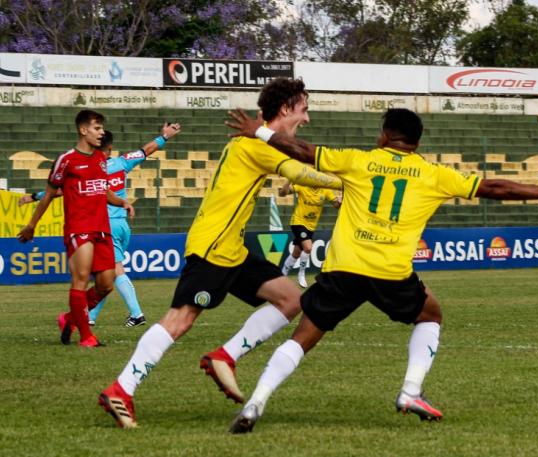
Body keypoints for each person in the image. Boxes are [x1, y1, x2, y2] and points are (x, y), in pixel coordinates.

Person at [222, 107, 538, 433]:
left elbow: (302, 151)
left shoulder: (357, 161)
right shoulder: (433, 174)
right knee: (431, 313)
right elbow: (493, 187)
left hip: (344, 269)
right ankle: (410, 391)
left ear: (384, 135)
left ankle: (256, 403)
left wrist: (259, 131)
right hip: (390, 273)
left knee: (303, 337)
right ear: (416, 141)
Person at [97, 77, 343, 429]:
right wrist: (353, 180)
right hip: (214, 245)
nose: (306, 118)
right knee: (180, 319)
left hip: (232, 248)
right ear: (286, 109)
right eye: (303, 111)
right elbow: (302, 172)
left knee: (291, 299)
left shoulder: (257, 141)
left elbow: (298, 159)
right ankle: (122, 388)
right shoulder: (257, 144)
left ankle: (224, 356)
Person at [19, 123, 182, 328]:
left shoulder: (92, 168)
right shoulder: (122, 163)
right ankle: (91, 315)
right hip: (123, 225)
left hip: (105, 226)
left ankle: (137, 314)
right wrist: (164, 136)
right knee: (105, 276)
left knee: (115, 271)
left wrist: (34, 197)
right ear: (111, 147)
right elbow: (146, 150)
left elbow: (60, 191)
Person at [17, 109, 134, 348]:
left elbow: (103, 190)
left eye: (102, 129)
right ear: (83, 130)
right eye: (97, 128)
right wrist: (31, 225)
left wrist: (121, 201)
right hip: (78, 228)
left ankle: (69, 319)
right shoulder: (67, 160)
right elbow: (49, 195)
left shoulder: (101, 159)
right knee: (80, 279)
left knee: (106, 284)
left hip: (102, 228)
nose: (101, 133)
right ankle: (86, 336)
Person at [278, 180, 341, 287]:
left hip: (311, 226)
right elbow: (282, 193)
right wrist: (289, 180)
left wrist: (339, 201)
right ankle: (301, 274)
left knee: (296, 253)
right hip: (298, 222)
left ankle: (282, 275)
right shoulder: (302, 185)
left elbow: (336, 205)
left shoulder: (325, 190)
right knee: (308, 247)